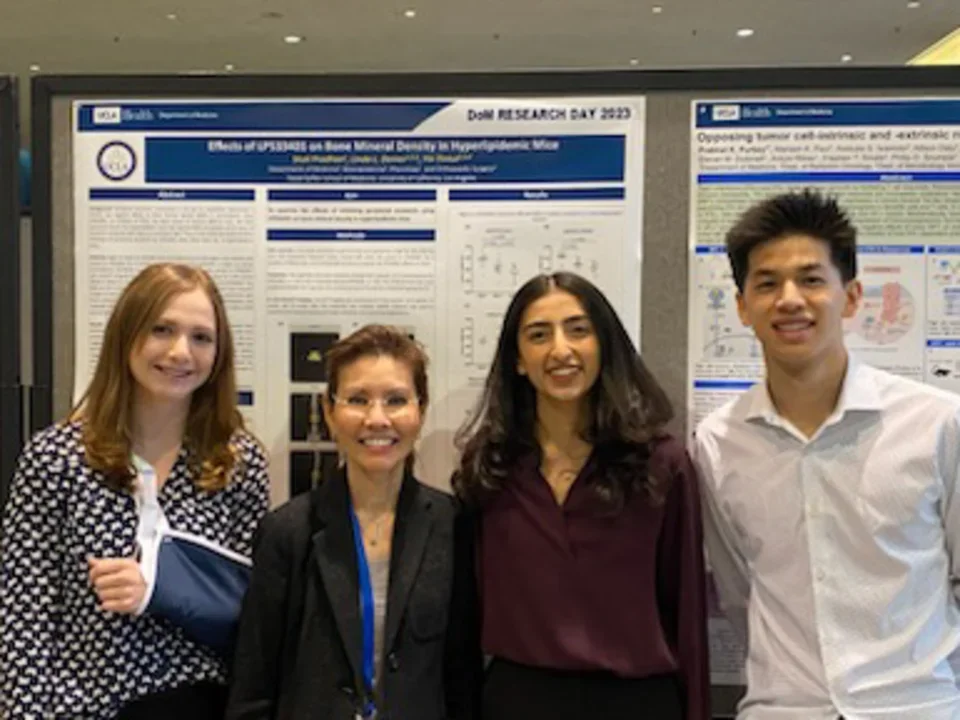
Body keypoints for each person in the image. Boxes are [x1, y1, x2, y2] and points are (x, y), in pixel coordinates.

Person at [695, 188, 960, 719]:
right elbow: (738, 590)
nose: (789, 299)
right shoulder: (718, 444)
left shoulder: (936, 423)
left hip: (913, 706)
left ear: (853, 296)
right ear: (743, 307)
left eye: (811, 279)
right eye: (767, 283)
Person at [0, 263, 270, 719]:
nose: (180, 352)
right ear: (126, 336)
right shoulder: (56, 458)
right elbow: (24, 616)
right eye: (161, 329)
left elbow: (252, 615)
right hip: (85, 708)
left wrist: (162, 588)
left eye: (201, 337)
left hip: (202, 705)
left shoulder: (236, 464)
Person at [453, 271, 709, 720]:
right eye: (538, 334)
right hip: (517, 702)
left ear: (603, 345)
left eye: (578, 330)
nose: (560, 350)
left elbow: (687, 617)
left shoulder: (660, 467)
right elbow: (465, 619)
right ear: (517, 358)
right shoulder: (490, 470)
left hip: (637, 703)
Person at [227, 324, 479, 719]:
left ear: (421, 411)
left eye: (396, 400)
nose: (377, 419)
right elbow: (254, 687)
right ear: (329, 412)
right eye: (357, 399)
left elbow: (463, 678)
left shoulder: (454, 526)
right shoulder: (288, 532)